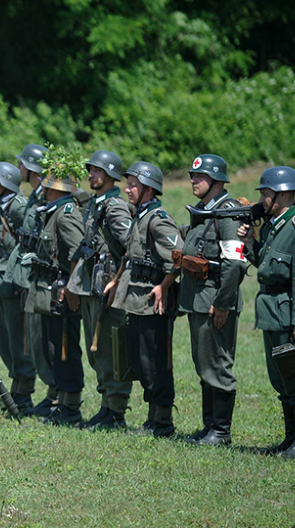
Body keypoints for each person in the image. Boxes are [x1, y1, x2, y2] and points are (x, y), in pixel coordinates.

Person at [237, 166, 295, 459]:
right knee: (279, 378)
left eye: (265, 193)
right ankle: (290, 440)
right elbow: (266, 265)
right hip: (272, 313)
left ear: (283, 194)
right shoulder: (276, 224)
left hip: (290, 316)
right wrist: (249, 244)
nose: (261, 199)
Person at [106, 161, 182, 438]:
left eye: (133, 185)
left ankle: (162, 422)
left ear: (149, 189)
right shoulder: (141, 215)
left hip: (154, 302)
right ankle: (153, 419)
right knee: (141, 361)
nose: (127, 189)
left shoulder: (158, 218)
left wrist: (164, 286)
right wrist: (116, 280)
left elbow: (178, 256)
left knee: (155, 363)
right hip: (137, 300)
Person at [177, 154, 247, 445]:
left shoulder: (228, 213)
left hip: (215, 301)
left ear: (217, 181)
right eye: (193, 176)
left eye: (200, 176)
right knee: (203, 363)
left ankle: (221, 431)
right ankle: (210, 427)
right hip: (199, 301)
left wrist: (223, 303)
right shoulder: (206, 211)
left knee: (217, 364)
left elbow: (236, 263)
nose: (193, 180)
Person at [65, 150, 133, 430]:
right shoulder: (95, 202)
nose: (91, 174)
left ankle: (116, 412)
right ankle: (106, 407)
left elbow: (132, 246)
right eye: (90, 170)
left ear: (110, 175)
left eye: (97, 171)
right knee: (96, 352)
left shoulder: (115, 206)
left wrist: (118, 281)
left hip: (109, 285)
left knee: (109, 350)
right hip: (93, 284)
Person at [24, 164, 85, 426]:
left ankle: (70, 408)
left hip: (62, 292)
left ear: (52, 188)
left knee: (64, 349)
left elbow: (78, 252)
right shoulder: (54, 212)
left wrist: (72, 287)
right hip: (52, 293)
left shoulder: (66, 214)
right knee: (53, 349)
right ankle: (60, 401)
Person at [0, 162, 33, 409]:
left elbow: (29, 242)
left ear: (7, 184)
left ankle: (23, 392)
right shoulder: (4, 205)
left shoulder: (18, 207)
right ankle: (15, 390)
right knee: (4, 341)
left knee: (17, 339)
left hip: (13, 278)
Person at [7, 144, 55, 415]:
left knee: (42, 338)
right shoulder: (36, 196)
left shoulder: (46, 197)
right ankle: (51, 393)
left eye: (23, 164)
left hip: (41, 276)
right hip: (29, 275)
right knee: (34, 340)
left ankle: (55, 395)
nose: (19, 169)